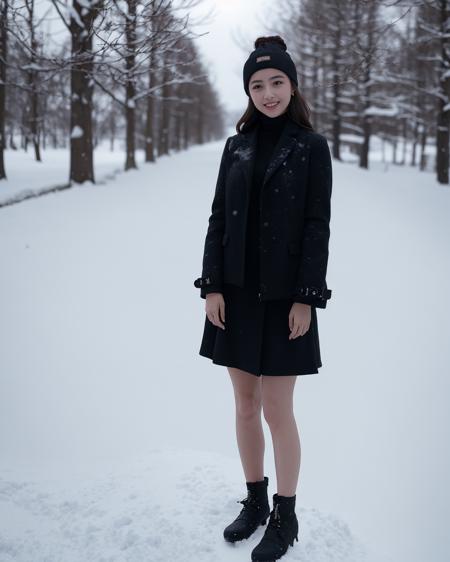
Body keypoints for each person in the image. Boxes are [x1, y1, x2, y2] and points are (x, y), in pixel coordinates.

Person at [194, 35, 333, 562]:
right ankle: (254, 499)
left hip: (283, 299)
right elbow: (215, 219)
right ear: (248, 91)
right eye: (257, 84)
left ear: (292, 84)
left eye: (276, 82)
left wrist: (305, 298)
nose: (268, 92)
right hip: (234, 296)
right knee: (244, 405)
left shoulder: (311, 146)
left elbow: (318, 226)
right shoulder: (236, 146)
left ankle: (285, 513)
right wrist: (211, 285)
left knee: (278, 410)